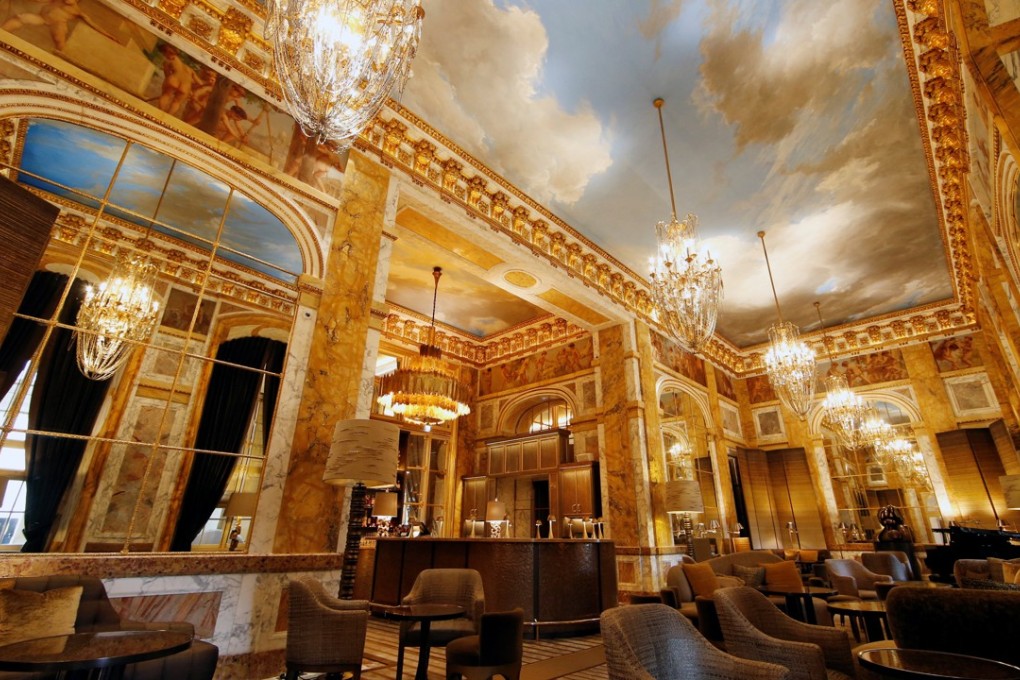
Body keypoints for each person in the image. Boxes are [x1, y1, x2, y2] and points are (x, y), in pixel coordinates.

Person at [3, 0, 117, 51]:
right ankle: (2, 32)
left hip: (57, 24)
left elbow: (93, 24)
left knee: (59, 42)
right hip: (42, 18)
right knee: (21, 18)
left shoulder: (77, 11)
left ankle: (59, 58)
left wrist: (109, 36)